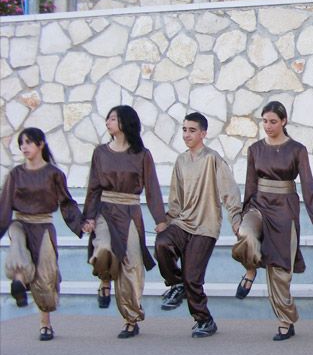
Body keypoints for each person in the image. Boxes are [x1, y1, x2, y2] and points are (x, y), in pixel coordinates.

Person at [232, 101, 313, 341]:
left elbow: (307, 184)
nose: (268, 126)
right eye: (264, 121)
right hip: (258, 205)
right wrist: (244, 213)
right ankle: (251, 269)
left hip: (285, 209)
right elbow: (250, 184)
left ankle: (286, 321)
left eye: (273, 121)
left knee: (280, 269)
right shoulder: (255, 149)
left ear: (284, 121)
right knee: (245, 233)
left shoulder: (297, 149)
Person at [82, 105, 167, 339]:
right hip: (105, 210)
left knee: (132, 264)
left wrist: (160, 219)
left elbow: (152, 188)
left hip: (130, 211)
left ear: (125, 122)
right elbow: (93, 187)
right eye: (107, 118)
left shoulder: (142, 154)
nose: (107, 122)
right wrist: (88, 217)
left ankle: (130, 319)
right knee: (103, 249)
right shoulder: (100, 153)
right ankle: (105, 279)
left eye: (112, 118)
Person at [155, 112, 242, 338]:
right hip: (182, 223)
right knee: (162, 243)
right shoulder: (181, 161)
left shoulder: (213, 159)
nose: (187, 134)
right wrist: (166, 221)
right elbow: (176, 199)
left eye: (192, 130)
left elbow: (230, 191)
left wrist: (236, 220)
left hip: (206, 227)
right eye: (184, 130)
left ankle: (204, 320)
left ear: (203, 133)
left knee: (192, 277)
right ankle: (176, 284)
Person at [0, 128, 84, 341]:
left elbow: (66, 202)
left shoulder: (54, 174)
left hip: (43, 226)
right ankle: (19, 282)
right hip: (20, 222)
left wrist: (81, 223)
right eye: (21, 143)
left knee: (45, 276)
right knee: (18, 247)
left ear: (40, 144)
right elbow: (5, 204)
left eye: (28, 142)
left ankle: (45, 324)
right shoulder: (15, 174)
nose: (24, 147)